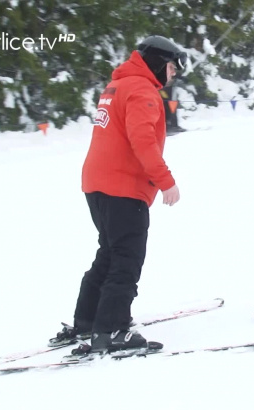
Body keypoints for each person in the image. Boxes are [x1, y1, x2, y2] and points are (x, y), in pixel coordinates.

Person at [51, 35, 187, 353]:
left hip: (96, 184)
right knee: (126, 259)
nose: (173, 74)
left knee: (109, 253)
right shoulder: (143, 91)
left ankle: (87, 322)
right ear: (157, 63)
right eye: (171, 67)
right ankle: (111, 330)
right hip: (123, 188)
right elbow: (143, 142)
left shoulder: (118, 86)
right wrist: (166, 182)